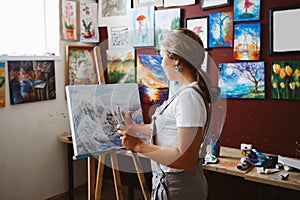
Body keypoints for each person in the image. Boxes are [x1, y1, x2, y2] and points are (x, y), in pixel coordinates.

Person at [117, 28, 218, 200]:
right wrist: (133, 126)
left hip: (179, 190)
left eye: (163, 56)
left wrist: (139, 146)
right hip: (171, 186)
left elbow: (186, 159)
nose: (162, 63)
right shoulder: (185, 92)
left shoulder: (189, 98)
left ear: (176, 60)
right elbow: (166, 129)